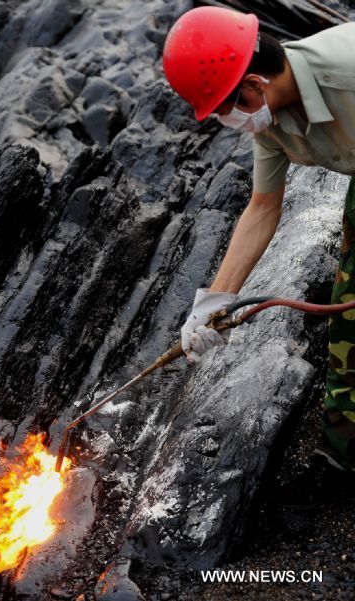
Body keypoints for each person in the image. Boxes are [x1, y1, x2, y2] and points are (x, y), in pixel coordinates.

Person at [163, 6, 355, 503]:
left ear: (253, 83)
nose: (229, 121)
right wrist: (214, 302)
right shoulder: (269, 118)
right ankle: (341, 457)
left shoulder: (349, 75)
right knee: (350, 321)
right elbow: (263, 206)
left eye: (227, 108)